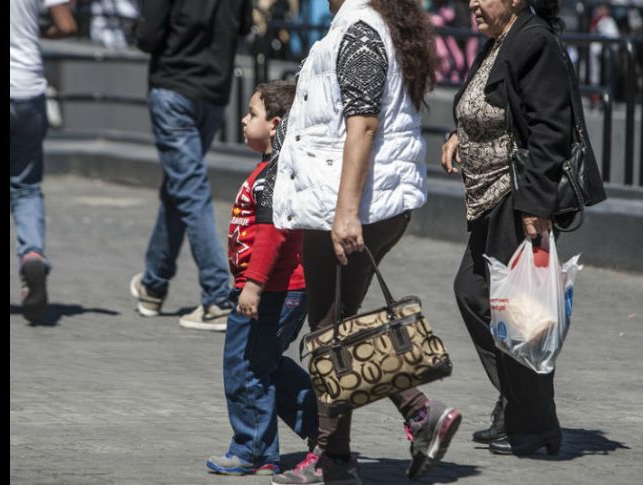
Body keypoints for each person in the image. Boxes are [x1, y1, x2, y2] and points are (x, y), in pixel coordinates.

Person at [269, 1, 461, 483]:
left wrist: (346, 212)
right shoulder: (369, 25)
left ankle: (371, 438)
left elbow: (364, 124)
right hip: (358, 200)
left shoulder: (359, 29)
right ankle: (349, 450)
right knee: (335, 324)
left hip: (352, 203)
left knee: (329, 328)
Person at [440, 0, 606, 456]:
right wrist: (460, 136)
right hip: (488, 198)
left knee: (517, 314)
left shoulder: (533, 42)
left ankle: (534, 428)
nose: (472, 2)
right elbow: (492, 105)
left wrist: (537, 206)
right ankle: (517, 407)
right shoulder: (500, 40)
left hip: (516, 198)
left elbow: (550, 129)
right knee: (474, 294)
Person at [206, 80, 318, 476]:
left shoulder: (274, 174)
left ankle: (252, 449)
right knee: (265, 365)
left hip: (272, 289)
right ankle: (322, 428)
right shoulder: (269, 169)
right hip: (272, 288)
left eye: (251, 113)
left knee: (245, 367)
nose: (243, 119)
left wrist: (252, 284)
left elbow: (273, 235)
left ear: (274, 124)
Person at [130, 0, 252, 331]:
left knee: (190, 188)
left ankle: (215, 297)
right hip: (213, 93)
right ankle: (153, 286)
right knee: (180, 187)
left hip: (174, 87)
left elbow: (148, 37)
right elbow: (243, 27)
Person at [10, 0, 77, 324]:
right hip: (25, 89)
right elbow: (66, 25)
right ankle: (32, 254)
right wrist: (34, 32)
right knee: (25, 186)